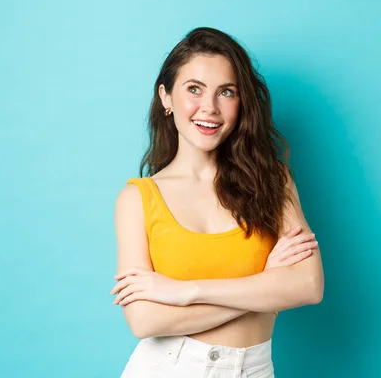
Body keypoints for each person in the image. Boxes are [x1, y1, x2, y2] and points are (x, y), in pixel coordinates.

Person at [110, 27, 324, 378]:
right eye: (194, 89)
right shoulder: (138, 198)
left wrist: (186, 292)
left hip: (254, 368)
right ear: (165, 97)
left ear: (242, 103)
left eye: (226, 92)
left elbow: (308, 286)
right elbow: (145, 320)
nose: (209, 107)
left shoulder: (272, 181)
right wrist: (265, 284)